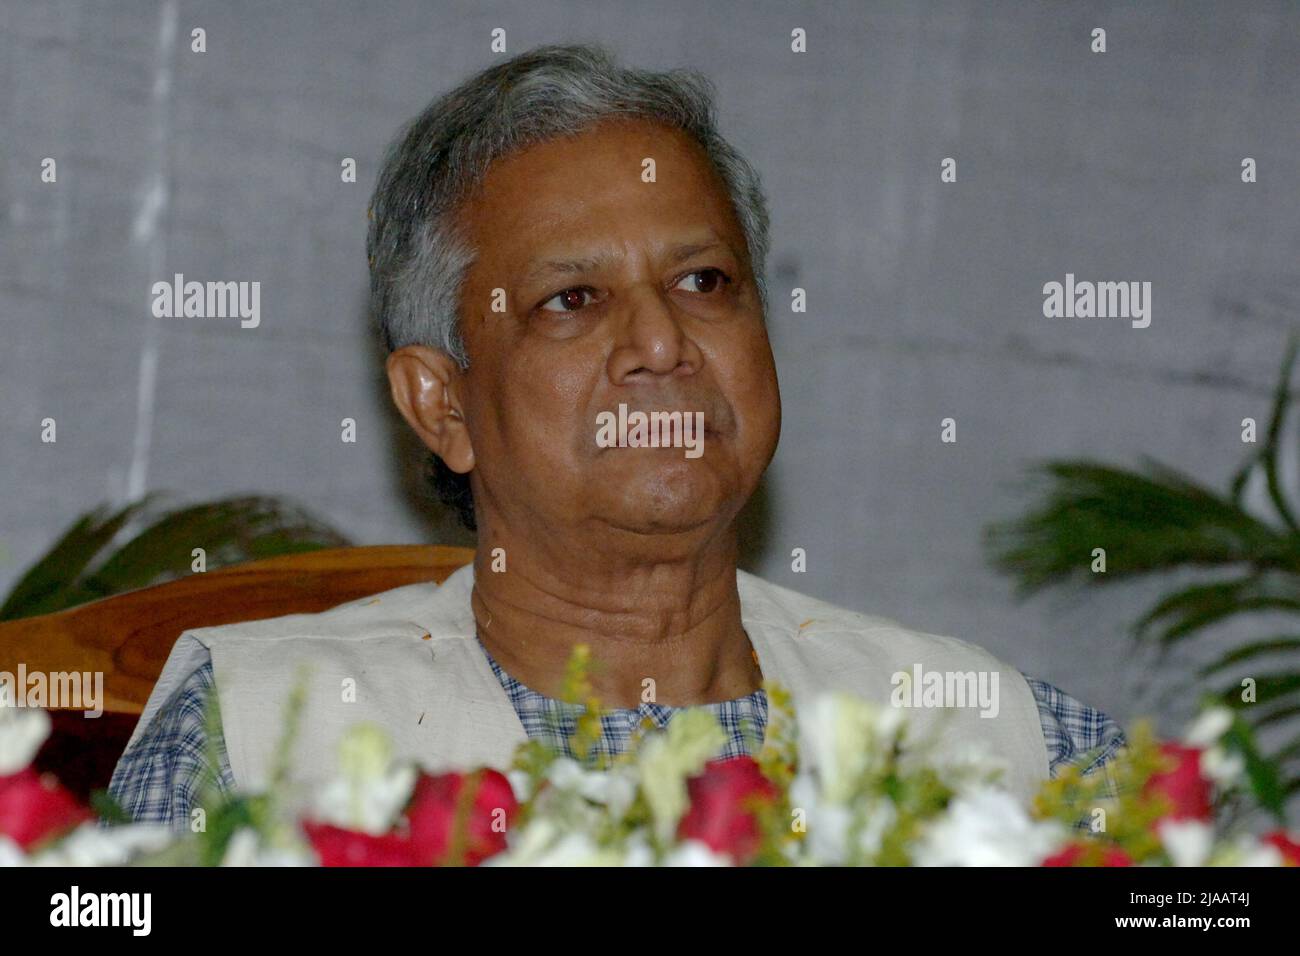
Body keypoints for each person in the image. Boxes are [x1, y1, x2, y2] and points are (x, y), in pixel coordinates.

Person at [110, 44, 1125, 829]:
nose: (658, 341)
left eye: (702, 282)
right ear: (442, 406)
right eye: (571, 299)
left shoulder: (998, 732)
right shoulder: (254, 733)